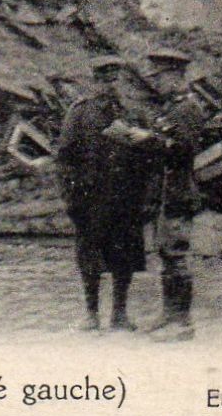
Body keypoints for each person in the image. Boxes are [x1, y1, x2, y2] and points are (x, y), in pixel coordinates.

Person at [113, 50, 208, 342]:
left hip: (178, 191)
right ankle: (169, 314)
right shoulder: (171, 107)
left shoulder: (188, 108)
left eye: (160, 77)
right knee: (166, 254)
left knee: (176, 255)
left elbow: (183, 149)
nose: (156, 83)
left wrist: (148, 138)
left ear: (176, 76)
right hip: (165, 191)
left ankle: (183, 322)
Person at [53, 57, 148, 331]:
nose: (110, 85)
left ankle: (120, 313)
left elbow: (148, 157)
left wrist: (146, 195)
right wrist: (71, 197)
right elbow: (65, 158)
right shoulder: (80, 113)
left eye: (115, 78)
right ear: (94, 81)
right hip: (91, 198)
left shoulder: (133, 113)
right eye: (104, 79)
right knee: (90, 257)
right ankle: (91, 313)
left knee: (124, 257)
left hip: (126, 197)